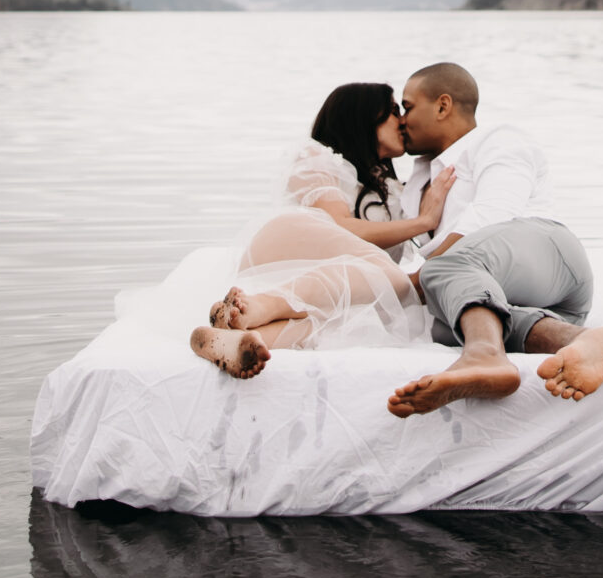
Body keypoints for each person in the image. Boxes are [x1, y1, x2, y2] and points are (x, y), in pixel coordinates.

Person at [385, 60, 603, 416]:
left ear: (442, 105)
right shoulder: (419, 179)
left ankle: (484, 356)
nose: (402, 119)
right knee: (445, 324)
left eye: (408, 107)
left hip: (549, 253)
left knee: (442, 271)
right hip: (531, 302)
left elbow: (495, 213)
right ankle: (580, 341)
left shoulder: (498, 139)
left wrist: (421, 277)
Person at [190, 81, 456, 378]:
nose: (403, 120)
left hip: (326, 288)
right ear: (364, 116)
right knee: (396, 283)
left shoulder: (394, 190)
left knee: (354, 321)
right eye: (394, 110)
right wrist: (422, 222)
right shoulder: (317, 158)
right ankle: (262, 305)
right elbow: (341, 226)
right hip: (286, 249)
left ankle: (237, 339)